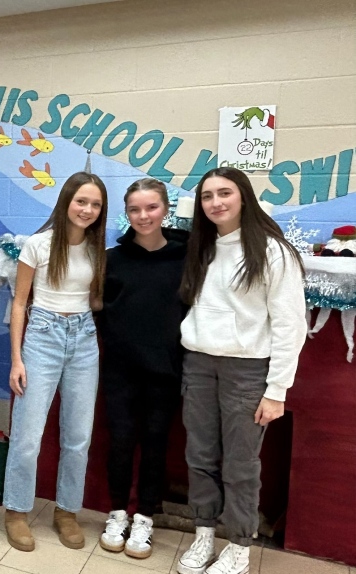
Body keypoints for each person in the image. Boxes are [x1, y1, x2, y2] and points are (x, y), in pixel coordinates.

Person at [175, 167, 306, 574]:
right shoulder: (201, 247)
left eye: (225, 193)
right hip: (198, 364)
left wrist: (277, 390)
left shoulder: (272, 251)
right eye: (207, 196)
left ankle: (239, 545)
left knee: (240, 464)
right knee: (199, 455)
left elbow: (290, 324)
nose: (216, 203)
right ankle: (203, 534)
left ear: (244, 197)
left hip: (247, 372)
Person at [4, 171, 108, 552]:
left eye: (95, 204)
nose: (87, 209)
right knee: (29, 435)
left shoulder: (97, 249)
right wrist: (17, 358)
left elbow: (92, 300)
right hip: (42, 337)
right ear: (66, 201)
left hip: (83, 339)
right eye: (82, 201)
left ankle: (66, 511)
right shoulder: (38, 244)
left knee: (78, 436)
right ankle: (15, 511)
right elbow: (19, 302)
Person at [95, 179, 188, 559]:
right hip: (121, 369)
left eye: (151, 207)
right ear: (126, 213)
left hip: (165, 371)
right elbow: (99, 308)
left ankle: (145, 517)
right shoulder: (112, 259)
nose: (143, 216)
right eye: (135, 209)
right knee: (119, 441)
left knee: (154, 444)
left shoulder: (186, 255)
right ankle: (118, 512)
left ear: (164, 209)